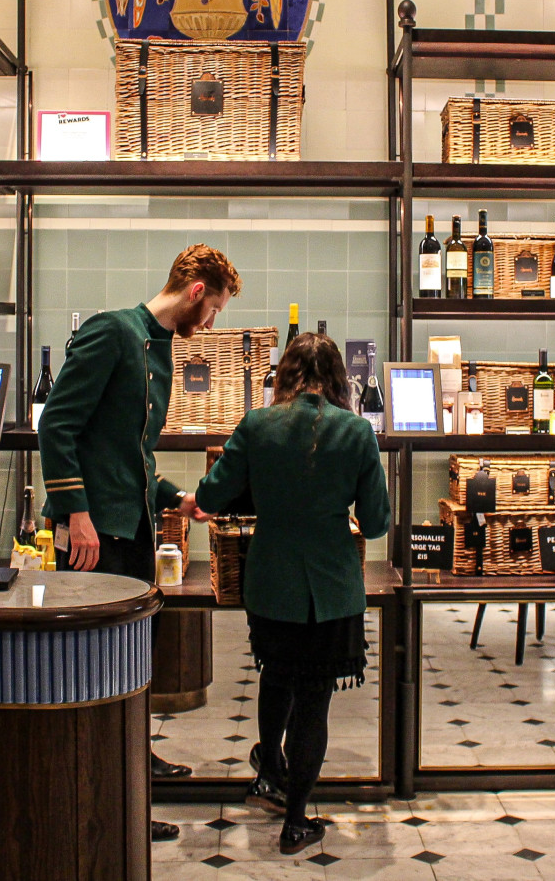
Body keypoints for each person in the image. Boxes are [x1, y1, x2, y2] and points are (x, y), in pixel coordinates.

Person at [38, 243, 240, 843]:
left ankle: (130, 765)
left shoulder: (157, 349)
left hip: (128, 529)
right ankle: (104, 799)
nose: (211, 324)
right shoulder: (115, 333)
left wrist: (174, 497)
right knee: (92, 668)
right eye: (215, 309)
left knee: (125, 663)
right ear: (197, 290)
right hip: (94, 535)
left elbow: (132, 451)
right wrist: (75, 513)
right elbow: (58, 424)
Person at [193, 333, 391, 855]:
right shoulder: (356, 432)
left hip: (271, 582)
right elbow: (375, 523)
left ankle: (269, 773)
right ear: (339, 379)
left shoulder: (258, 425)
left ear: (284, 374)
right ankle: (297, 819)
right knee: (315, 701)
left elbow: (212, 495)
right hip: (330, 588)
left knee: (276, 677)